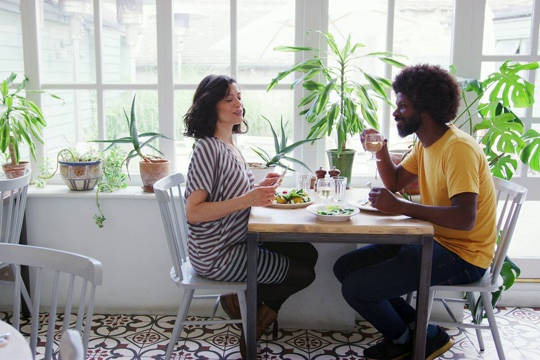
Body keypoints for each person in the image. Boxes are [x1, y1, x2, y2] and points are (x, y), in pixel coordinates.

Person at [333, 64, 497, 360]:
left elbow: (464, 218)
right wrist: (381, 150)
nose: (396, 113)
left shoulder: (457, 148)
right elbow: (395, 181)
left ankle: (403, 340)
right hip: (430, 240)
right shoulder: (426, 144)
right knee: (344, 268)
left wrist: (401, 206)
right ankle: (425, 334)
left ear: (427, 111)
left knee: (357, 288)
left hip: (463, 254)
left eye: (403, 106)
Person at [183, 74, 318, 355]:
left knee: (307, 252)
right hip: (217, 255)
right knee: (303, 273)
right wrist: (248, 198)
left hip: (236, 242)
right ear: (211, 106)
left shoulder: (229, 145)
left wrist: (259, 189)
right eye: (229, 99)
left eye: (239, 97)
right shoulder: (207, 148)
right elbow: (194, 212)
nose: (238, 104)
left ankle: (242, 305)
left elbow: (229, 195)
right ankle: (253, 324)